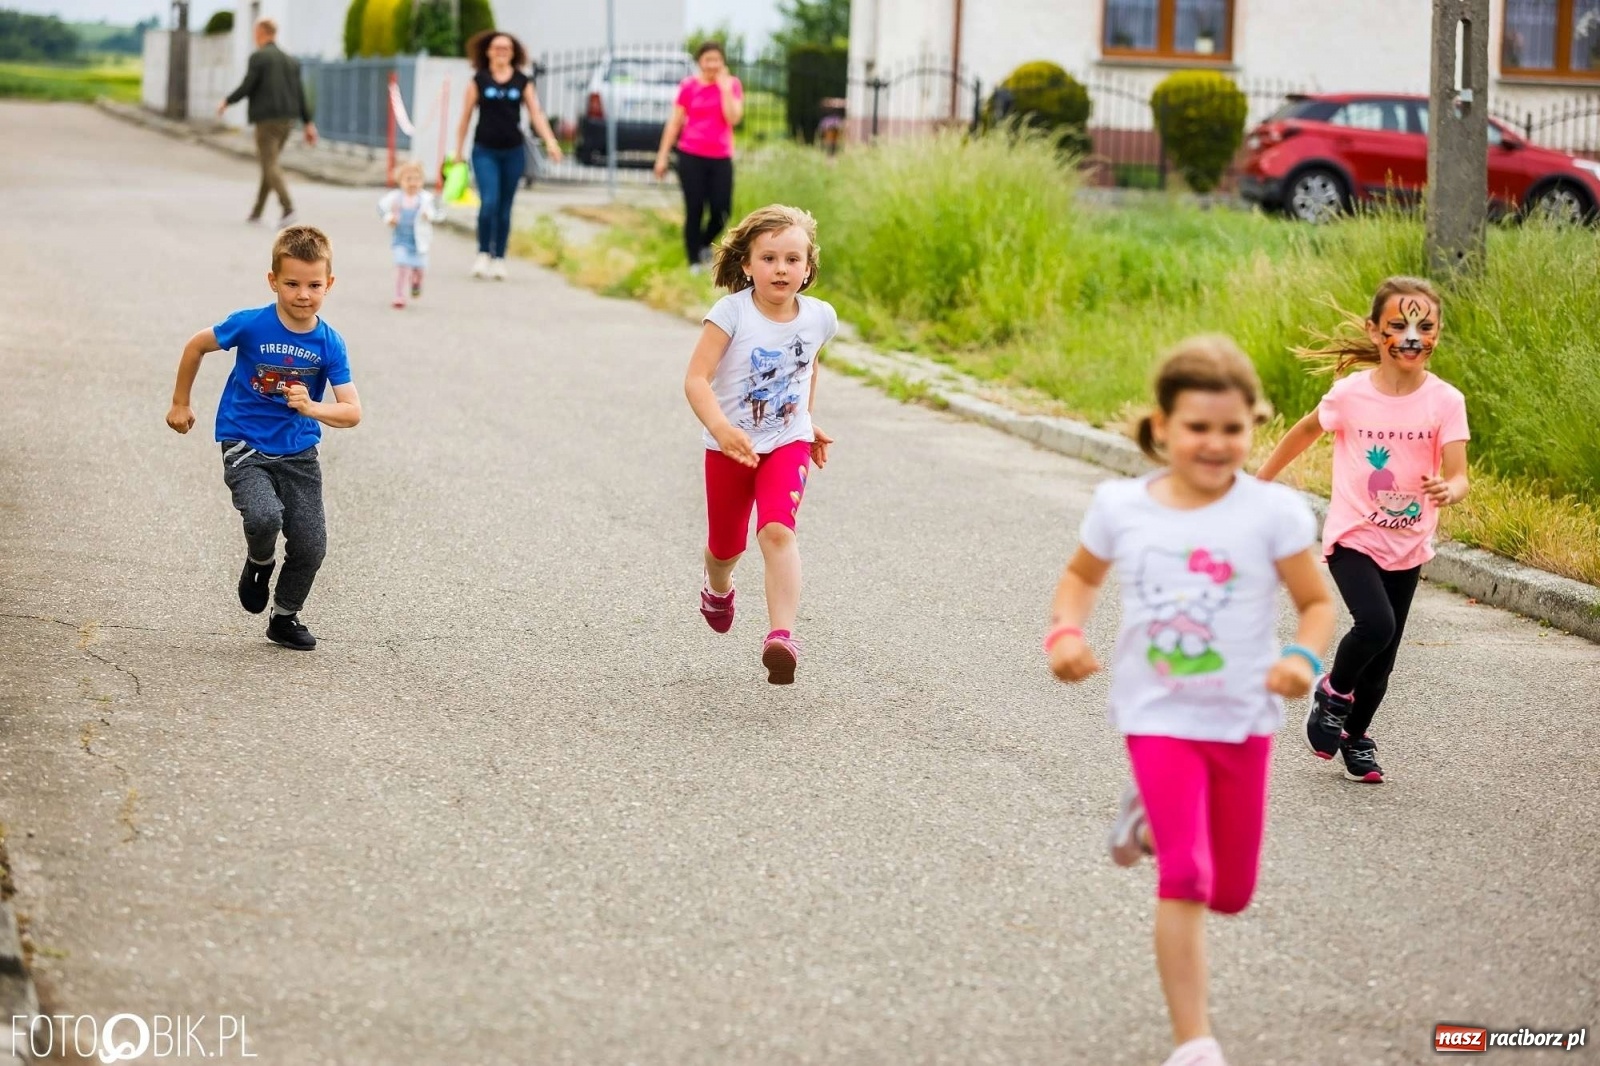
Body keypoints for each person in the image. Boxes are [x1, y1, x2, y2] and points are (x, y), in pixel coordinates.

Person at [1046, 339, 1335, 1066]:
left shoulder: (1274, 512)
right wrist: (1065, 632)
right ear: (1163, 426)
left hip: (1243, 718)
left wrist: (1302, 657)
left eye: (1232, 429)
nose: (1215, 444)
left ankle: (1143, 820)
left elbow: (1314, 605)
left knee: (1232, 893)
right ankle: (1194, 1041)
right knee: (1188, 877)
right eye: (1198, 428)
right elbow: (1079, 577)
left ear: (1253, 427)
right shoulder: (1121, 505)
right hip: (1157, 715)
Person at [1256, 276, 1469, 784]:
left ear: (1438, 332)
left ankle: (1356, 736)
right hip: (1354, 534)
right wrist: (1260, 482)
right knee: (1376, 625)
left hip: (1410, 541)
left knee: (1384, 662)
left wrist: (1449, 490)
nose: (1413, 337)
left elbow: (1460, 474)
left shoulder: (1445, 400)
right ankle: (1333, 692)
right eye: (1399, 325)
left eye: (1425, 325)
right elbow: (1306, 429)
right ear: (1375, 332)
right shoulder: (1351, 395)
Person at [164, 226, 362, 651]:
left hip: (299, 452)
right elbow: (197, 345)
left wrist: (312, 408)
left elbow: (351, 411)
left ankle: (285, 616)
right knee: (264, 517)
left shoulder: (330, 344)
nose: (303, 294)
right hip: (244, 442)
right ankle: (259, 561)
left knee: (311, 544)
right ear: (273, 281)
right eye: (292, 284)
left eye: (314, 285)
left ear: (329, 284)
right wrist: (181, 402)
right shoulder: (251, 324)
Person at [684, 205, 837, 684]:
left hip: (786, 443)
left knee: (777, 531)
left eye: (793, 259)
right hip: (729, 447)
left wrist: (807, 420)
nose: (781, 268)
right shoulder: (731, 313)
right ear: (747, 265)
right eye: (769, 258)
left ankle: (782, 637)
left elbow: (807, 366)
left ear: (808, 269)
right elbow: (695, 380)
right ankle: (718, 585)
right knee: (725, 547)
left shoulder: (820, 318)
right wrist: (723, 429)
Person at [452, 30, 563, 280]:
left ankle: (499, 257)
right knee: (489, 201)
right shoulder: (478, 81)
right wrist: (458, 151)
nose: (502, 53)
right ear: (488, 52)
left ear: (513, 54)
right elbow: (465, 118)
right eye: (497, 48)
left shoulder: (523, 82)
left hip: (512, 152)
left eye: (507, 49)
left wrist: (551, 142)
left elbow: (536, 114)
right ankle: (482, 253)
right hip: (485, 150)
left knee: (504, 207)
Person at [654, 41, 744, 273]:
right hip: (691, 155)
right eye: (708, 59)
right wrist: (662, 156)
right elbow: (674, 123)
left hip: (720, 157)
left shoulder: (732, 85)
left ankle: (704, 245)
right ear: (699, 62)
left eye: (717, 59)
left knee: (721, 210)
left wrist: (724, 89)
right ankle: (693, 260)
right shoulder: (688, 87)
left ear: (723, 62)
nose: (712, 64)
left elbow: (734, 118)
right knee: (694, 208)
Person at [218, 19, 317, 226]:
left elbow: (247, 86)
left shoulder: (259, 57)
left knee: (270, 164)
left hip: (266, 121)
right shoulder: (291, 60)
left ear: (261, 32)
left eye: (256, 33)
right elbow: (299, 93)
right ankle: (257, 212)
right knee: (269, 164)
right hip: (287, 121)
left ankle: (288, 208)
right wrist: (308, 122)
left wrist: (227, 101)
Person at [377, 161, 445, 309]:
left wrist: (430, 215)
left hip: (419, 242)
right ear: (400, 181)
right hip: (401, 240)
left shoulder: (426, 199)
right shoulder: (395, 198)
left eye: (417, 179)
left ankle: (416, 282)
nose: (413, 183)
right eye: (408, 179)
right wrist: (389, 218)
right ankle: (399, 295)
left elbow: (440, 212)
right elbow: (381, 208)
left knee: (419, 269)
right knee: (401, 266)